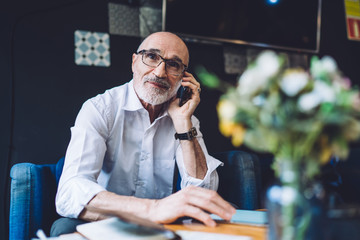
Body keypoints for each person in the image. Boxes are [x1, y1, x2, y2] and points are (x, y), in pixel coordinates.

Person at [51, 31, 235, 236]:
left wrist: (184, 123)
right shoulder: (100, 108)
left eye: (173, 64)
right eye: (152, 57)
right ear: (134, 62)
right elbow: (70, 193)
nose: (159, 72)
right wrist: (153, 209)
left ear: (183, 78)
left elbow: (203, 195)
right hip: (106, 223)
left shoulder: (185, 119)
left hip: (160, 228)